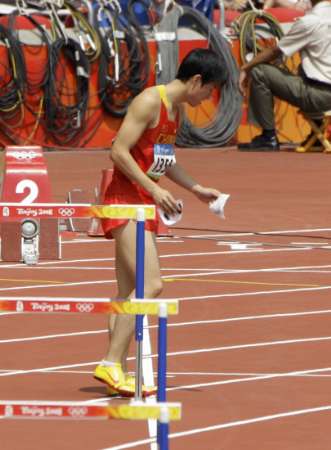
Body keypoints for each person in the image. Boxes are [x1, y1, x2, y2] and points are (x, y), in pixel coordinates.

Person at [94, 48, 227, 397]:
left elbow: (164, 160)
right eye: (210, 90)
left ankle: (116, 369)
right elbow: (118, 150)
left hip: (142, 201)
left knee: (127, 292)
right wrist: (153, 189)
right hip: (125, 202)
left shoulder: (175, 110)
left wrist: (196, 189)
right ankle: (110, 362)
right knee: (151, 285)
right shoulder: (149, 102)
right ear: (196, 80)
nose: (209, 98)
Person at [237, 0, 331, 151]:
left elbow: (276, 51)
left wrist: (246, 67)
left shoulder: (309, 22)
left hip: (320, 96)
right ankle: (317, 132)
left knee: (260, 72)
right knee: (304, 68)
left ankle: (268, 137)